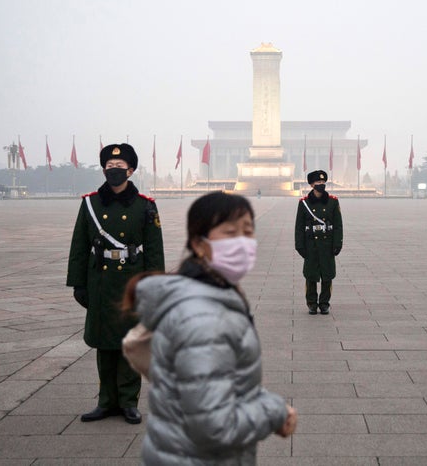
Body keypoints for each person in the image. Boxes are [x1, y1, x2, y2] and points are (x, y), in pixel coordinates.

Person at [124, 192, 297, 465]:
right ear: (199, 244)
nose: (242, 243)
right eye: (230, 233)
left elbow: (216, 379)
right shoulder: (203, 318)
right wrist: (274, 412)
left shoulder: (209, 294)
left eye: (248, 232)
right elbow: (216, 426)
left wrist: (260, 399)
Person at [66, 143, 165, 424]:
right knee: (103, 343)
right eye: (110, 167)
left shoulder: (145, 205)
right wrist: (78, 283)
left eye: (120, 168)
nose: (114, 171)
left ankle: (128, 401)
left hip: (131, 281)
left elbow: (155, 250)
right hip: (100, 280)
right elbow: (79, 246)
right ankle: (105, 401)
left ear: (130, 171)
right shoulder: (90, 203)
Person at [294, 170, 344, 315]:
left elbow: (338, 225)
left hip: (327, 245)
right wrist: (300, 245)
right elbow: (299, 226)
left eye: (323, 182)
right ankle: (311, 303)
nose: (321, 185)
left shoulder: (333, 202)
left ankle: (324, 303)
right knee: (311, 276)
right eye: (318, 183)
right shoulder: (304, 203)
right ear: (311, 184)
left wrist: (337, 243)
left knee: (327, 276)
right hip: (311, 246)